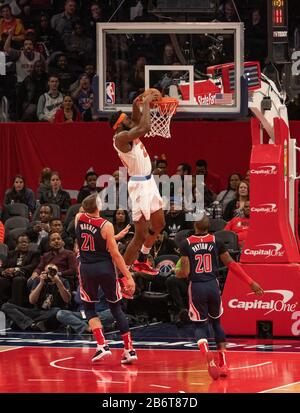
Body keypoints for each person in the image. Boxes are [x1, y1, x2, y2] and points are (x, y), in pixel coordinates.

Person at [175, 214, 264, 380]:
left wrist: (177, 272)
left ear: (195, 226)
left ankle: (207, 353)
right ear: (209, 227)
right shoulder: (216, 241)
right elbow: (231, 264)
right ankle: (223, 363)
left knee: (199, 326)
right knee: (216, 322)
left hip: (197, 287)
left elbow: (185, 272)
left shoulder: (185, 244)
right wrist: (250, 282)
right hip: (213, 285)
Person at [75, 193, 137, 363]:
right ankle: (129, 349)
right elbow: (115, 254)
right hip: (105, 268)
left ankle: (102, 345)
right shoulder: (106, 225)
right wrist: (128, 276)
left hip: (87, 269)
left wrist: (116, 237)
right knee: (116, 308)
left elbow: (91, 238)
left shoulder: (78, 218)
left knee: (89, 308)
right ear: (98, 206)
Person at [109, 90, 165, 275]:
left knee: (159, 225)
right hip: (139, 186)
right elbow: (144, 127)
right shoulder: (120, 138)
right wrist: (147, 103)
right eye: (127, 119)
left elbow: (136, 120)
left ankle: (142, 261)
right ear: (120, 124)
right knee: (140, 235)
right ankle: (121, 276)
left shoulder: (127, 131)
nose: (131, 120)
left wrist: (136, 103)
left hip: (149, 182)